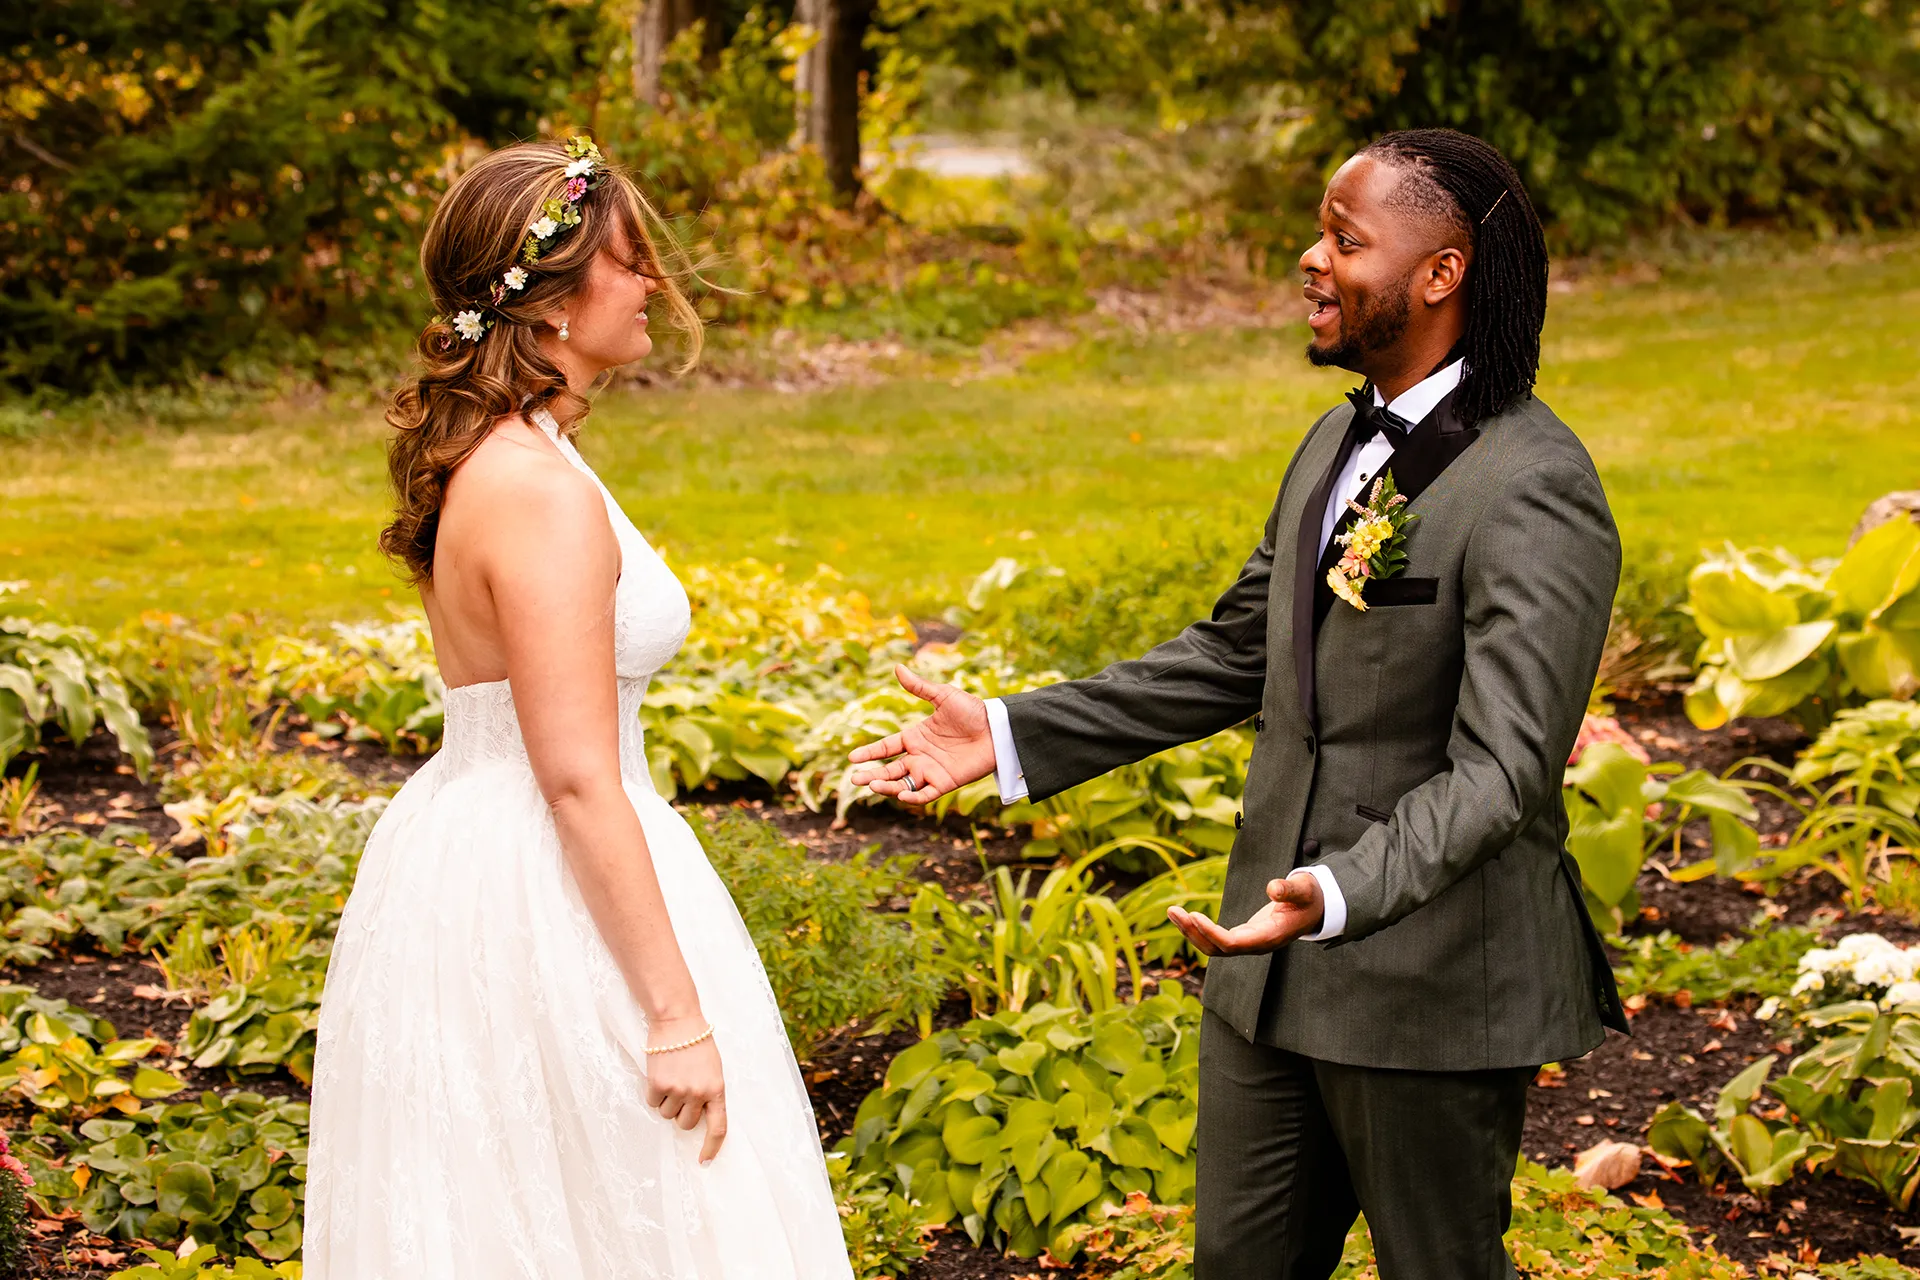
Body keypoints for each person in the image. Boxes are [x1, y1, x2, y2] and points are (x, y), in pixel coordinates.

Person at [849, 128, 1627, 1280]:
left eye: (1345, 238)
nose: (1311, 259)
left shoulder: (1534, 486)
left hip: (1428, 987)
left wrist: (1337, 889)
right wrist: (1012, 734)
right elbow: (1233, 654)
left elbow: (1505, 770)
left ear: (1441, 273)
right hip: (1264, 979)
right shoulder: (1333, 440)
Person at [305, 137, 852, 1279]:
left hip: (474, 845)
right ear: (548, 307)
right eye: (628, 262)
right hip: (549, 871)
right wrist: (674, 1013)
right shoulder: (539, 492)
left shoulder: (510, 454)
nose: (653, 283)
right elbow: (572, 773)